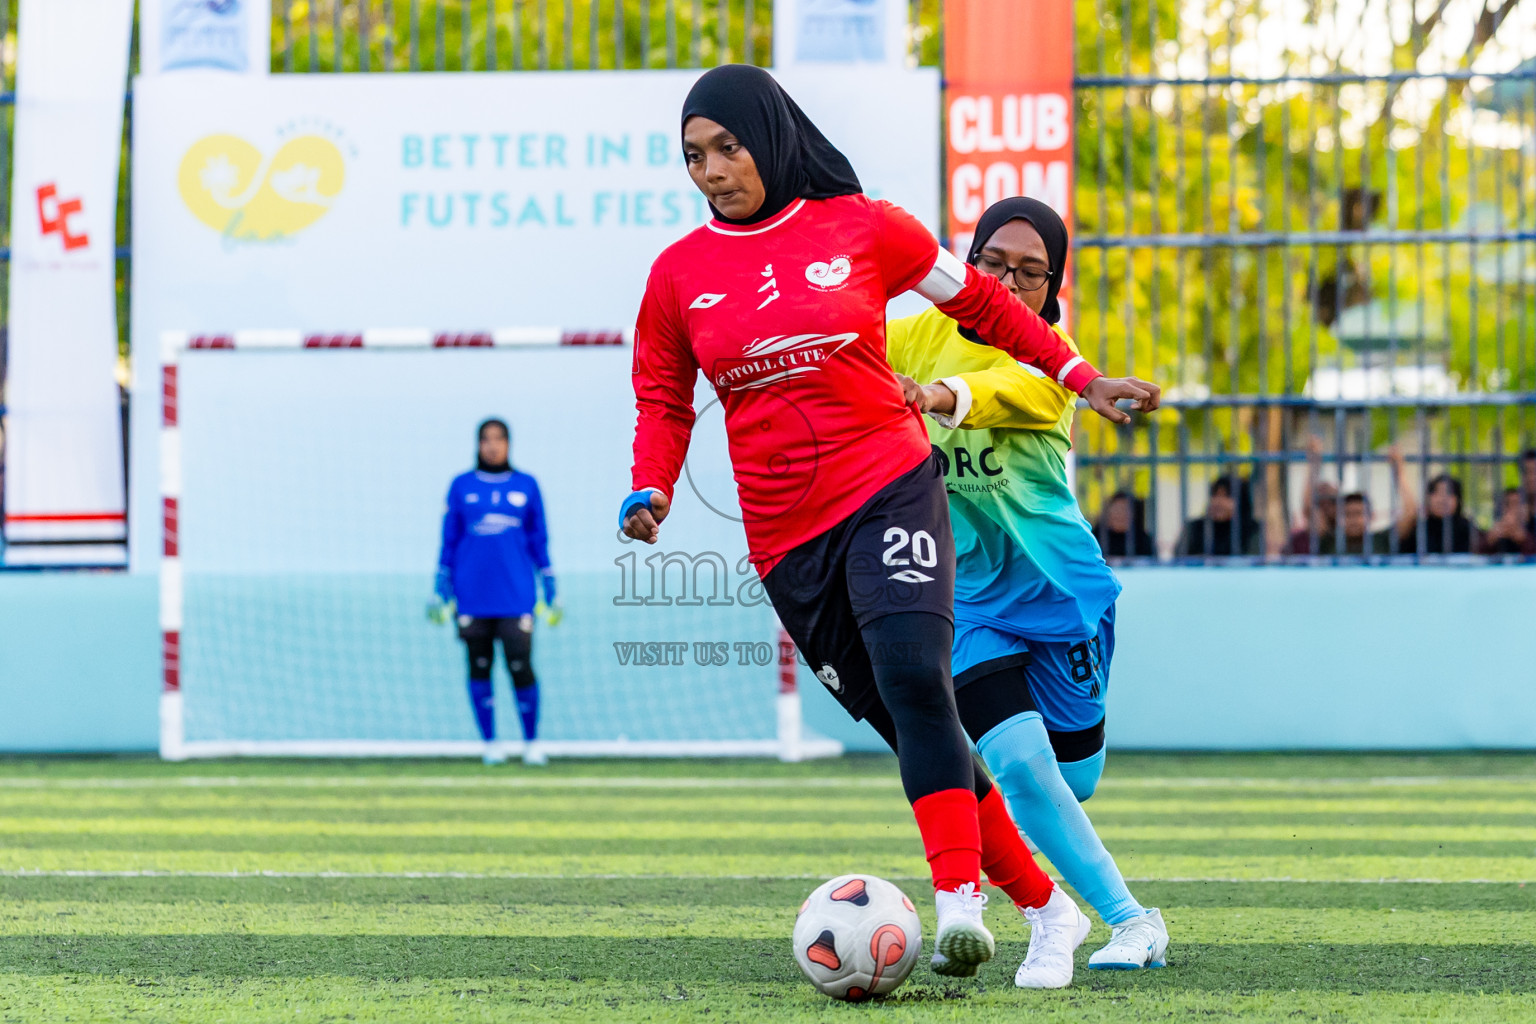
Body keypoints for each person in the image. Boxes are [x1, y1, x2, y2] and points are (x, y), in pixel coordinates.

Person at [619, 65, 1157, 980]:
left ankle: (959, 903)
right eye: (693, 156)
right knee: (916, 725)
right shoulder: (678, 275)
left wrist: (1079, 377)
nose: (710, 169)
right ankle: (1047, 907)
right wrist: (650, 489)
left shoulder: (865, 229)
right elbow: (663, 399)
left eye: (728, 147)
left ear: (773, 138)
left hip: (897, 493)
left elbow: (986, 311)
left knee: (931, 688)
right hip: (788, 538)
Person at [887, 197, 1168, 988]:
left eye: (1030, 270)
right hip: (970, 599)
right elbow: (841, 356)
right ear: (965, 264)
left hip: (1062, 598)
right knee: (1015, 764)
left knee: (1068, 781)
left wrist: (934, 396)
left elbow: (1003, 392)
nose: (1008, 281)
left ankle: (1049, 868)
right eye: (992, 262)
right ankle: (1126, 921)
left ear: (1054, 288)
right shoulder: (911, 332)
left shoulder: (1053, 360)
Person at [431, 419, 560, 766]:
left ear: (508, 444)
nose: (492, 446)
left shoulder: (527, 485)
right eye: (485, 440)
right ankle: (490, 743)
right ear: (477, 444)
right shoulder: (461, 486)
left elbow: (539, 540)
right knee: (479, 667)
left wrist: (550, 585)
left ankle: (532, 743)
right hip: (471, 596)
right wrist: (440, 586)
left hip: (516, 596)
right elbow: (450, 539)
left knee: (521, 667)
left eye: (498, 439)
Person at [1388, 473, 1479, 555]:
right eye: (1437, 492)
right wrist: (1400, 474)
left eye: (1449, 493)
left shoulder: (1467, 528)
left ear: (1458, 500)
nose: (1443, 499)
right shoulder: (1419, 527)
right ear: (1428, 498)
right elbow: (1410, 511)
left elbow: (1486, 545)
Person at [1176, 475, 1261, 557]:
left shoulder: (1252, 530)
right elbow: (1179, 560)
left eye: (1226, 496)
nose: (1219, 502)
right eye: (1215, 495)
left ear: (1241, 501)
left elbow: (1252, 561)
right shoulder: (1194, 528)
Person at [1095, 491, 1156, 559]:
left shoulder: (1144, 540)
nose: (1121, 515)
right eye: (1116, 510)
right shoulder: (1095, 539)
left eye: (1125, 510)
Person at [1478, 488, 1535, 556]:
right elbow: (1477, 556)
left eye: (1516, 504)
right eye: (1507, 504)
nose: (1511, 508)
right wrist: (1490, 540)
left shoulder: (1533, 526)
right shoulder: (1494, 530)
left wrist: (1523, 539)